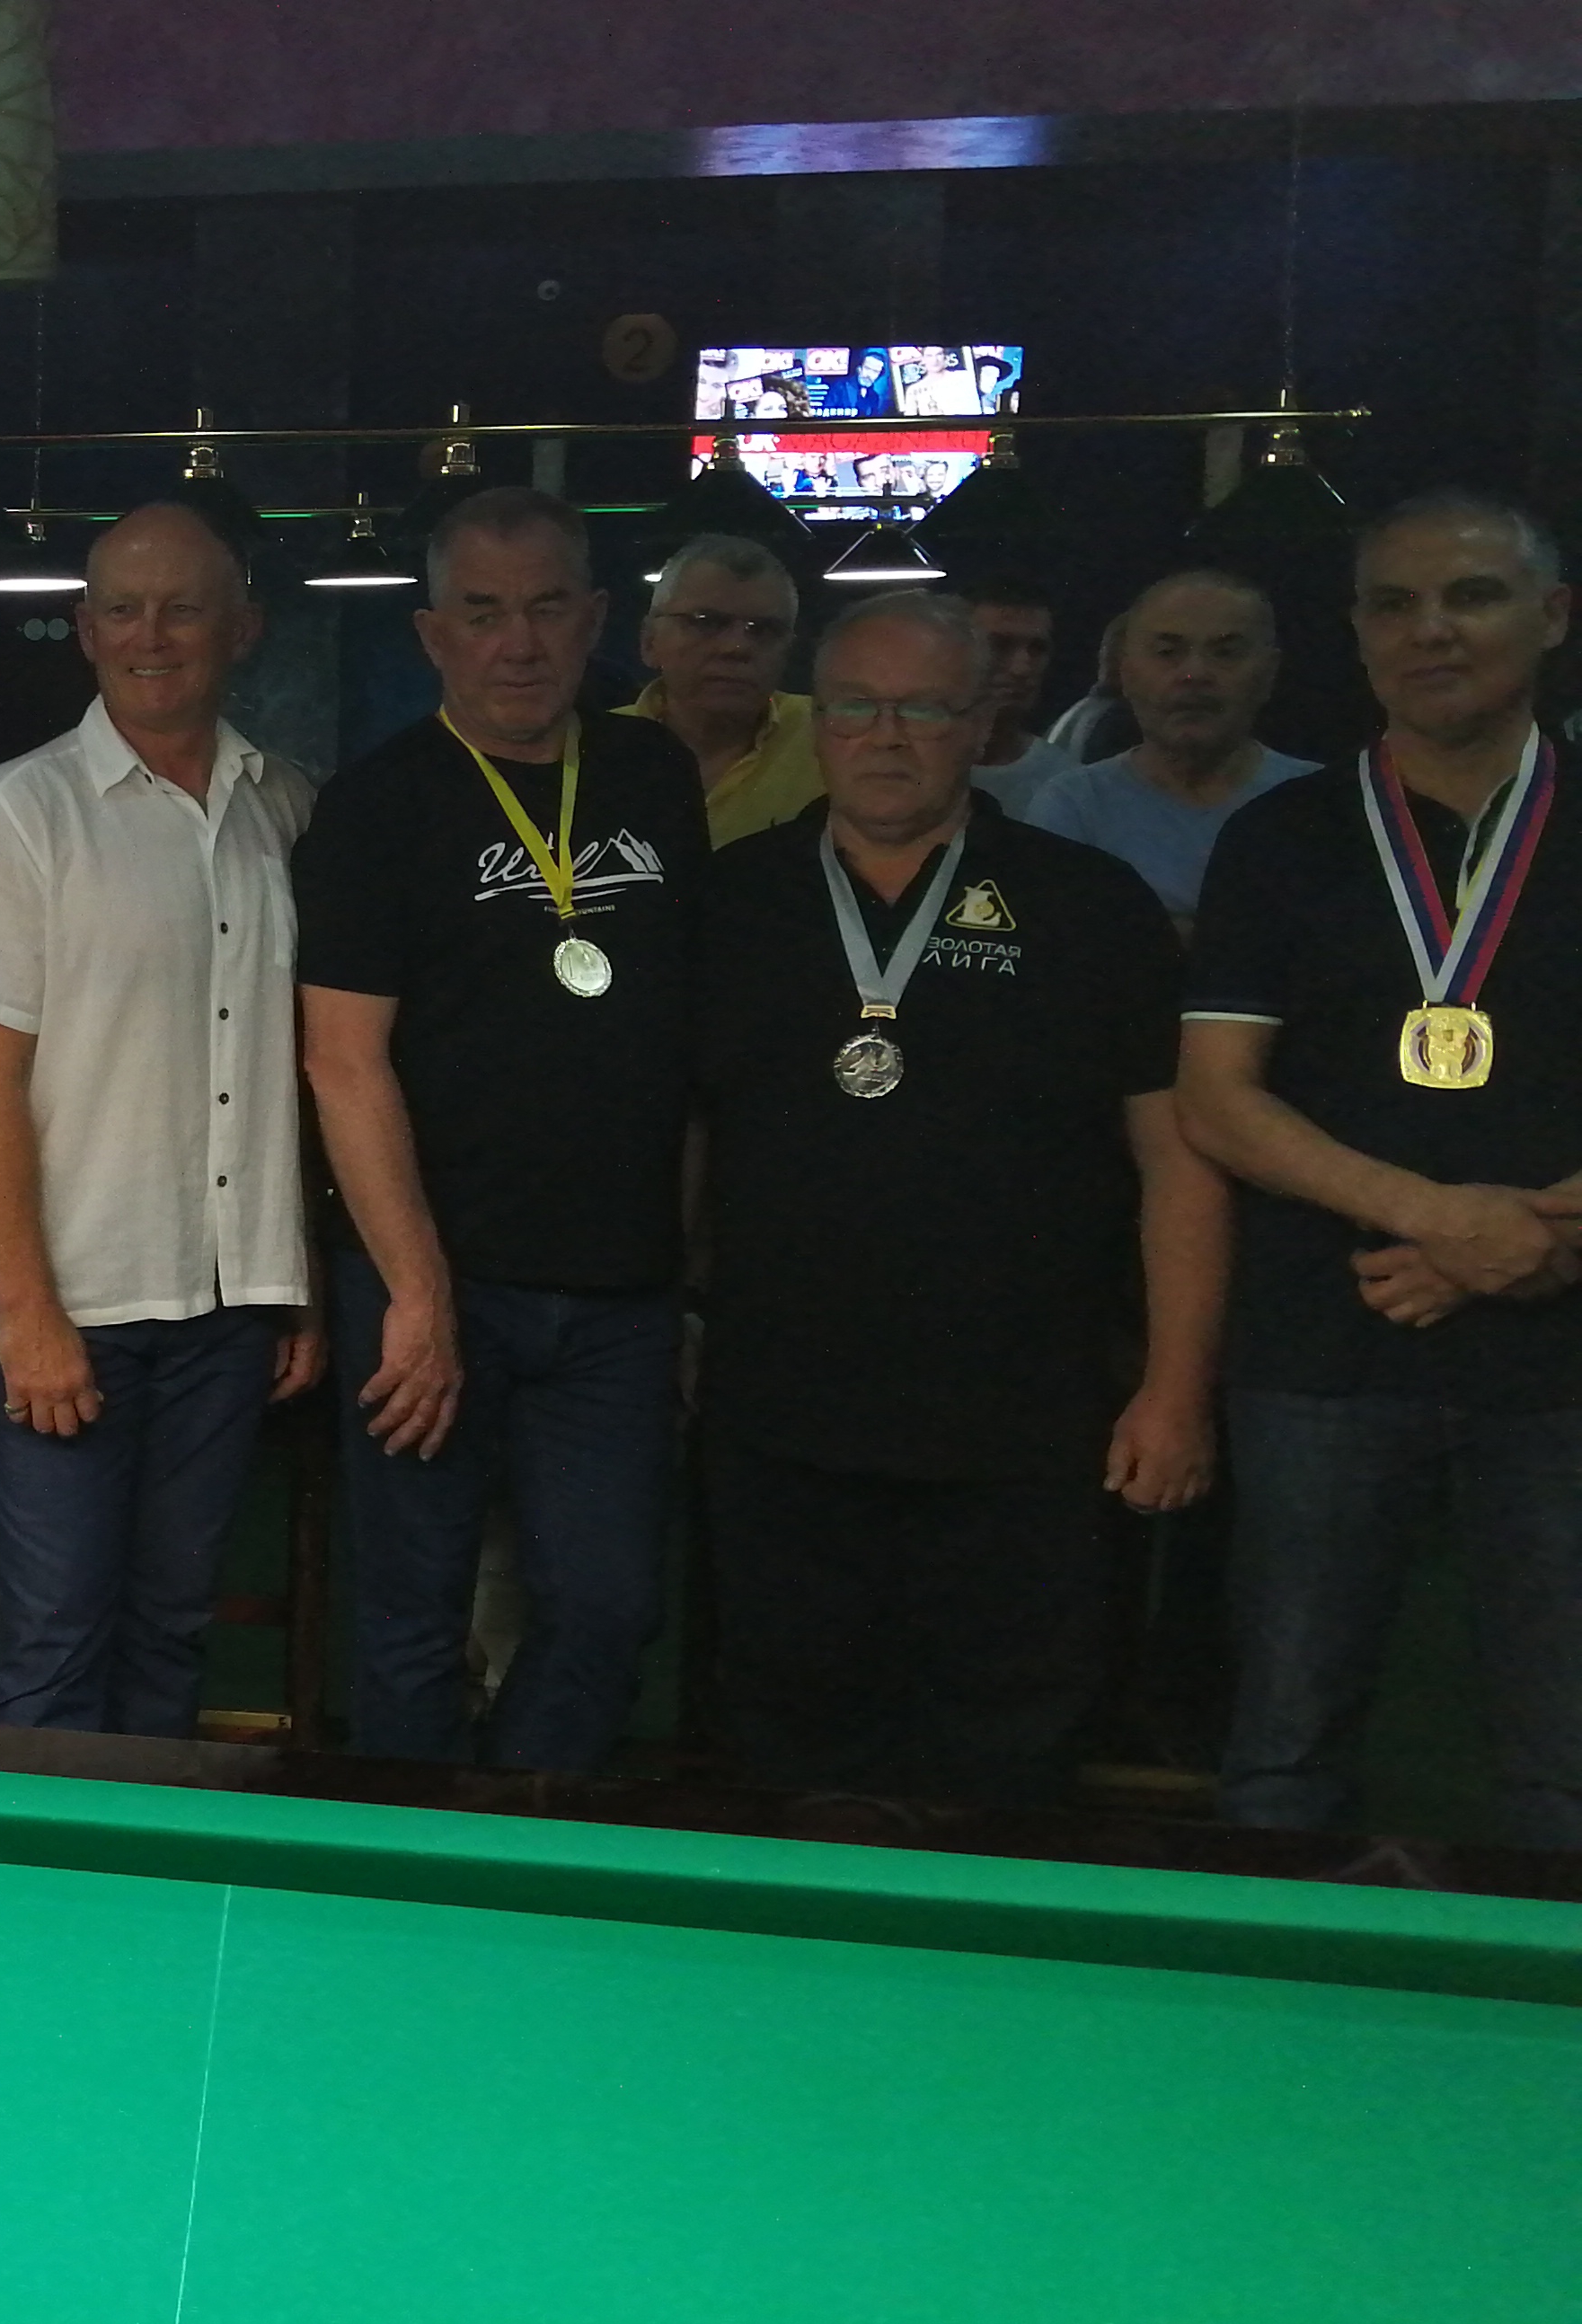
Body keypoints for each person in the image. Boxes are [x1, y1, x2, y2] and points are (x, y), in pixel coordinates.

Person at [694, 592, 1221, 1807]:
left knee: (1009, 1766)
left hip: (1025, 1431)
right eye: (856, 707)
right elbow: (683, 1135)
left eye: (924, 710)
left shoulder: (1090, 907)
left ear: (981, 722)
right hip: (783, 1423)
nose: (886, 736)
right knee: (789, 1760)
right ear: (817, 723)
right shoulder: (732, 901)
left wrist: (1176, 1387)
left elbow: (1178, 1161)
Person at [1180, 490, 1582, 1849]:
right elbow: (1217, 1100)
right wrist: (1444, 1222)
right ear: (1355, 634)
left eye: (1471, 596)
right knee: (1280, 1753)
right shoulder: (1279, 837)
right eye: (1395, 604)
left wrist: (1542, 1239)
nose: (1431, 631)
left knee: (1568, 1765)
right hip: (1322, 1350)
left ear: (1551, 615)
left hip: (1565, 1358)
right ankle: (1266, 1992)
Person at [295, 488, 707, 1773]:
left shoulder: (654, 774)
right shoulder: (375, 806)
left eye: (544, 609)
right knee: (413, 1618)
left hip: (619, 1291)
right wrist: (419, 1295)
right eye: (481, 613)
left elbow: (682, 1038)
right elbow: (342, 1059)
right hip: (434, 1279)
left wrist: (693, 1268)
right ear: (432, 635)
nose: (516, 643)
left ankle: (521, 1839)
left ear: (595, 620)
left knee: (607, 1608)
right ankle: (411, 1864)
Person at [0, 504, 322, 1735]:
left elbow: (301, 1071)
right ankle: (33, 1870)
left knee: (172, 1633)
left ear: (242, 628)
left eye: (182, 608)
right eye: (121, 609)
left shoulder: (286, 808)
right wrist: (27, 1315)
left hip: (226, 1307)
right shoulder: (19, 812)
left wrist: (290, 1281)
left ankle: (146, 1862)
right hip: (73, 1305)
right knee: (54, 1642)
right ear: (84, 630)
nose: (150, 635)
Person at [1031, 571, 1317, 932]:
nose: (1194, 674)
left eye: (1225, 653)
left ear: (1269, 673)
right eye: (1168, 653)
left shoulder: (1319, 802)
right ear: (1126, 672)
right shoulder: (1074, 806)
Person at [617, 535, 820, 846]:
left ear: (788, 652)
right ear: (649, 641)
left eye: (764, 630)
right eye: (706, 622)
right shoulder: (587, 748)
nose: (736, 647)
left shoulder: (836, 737)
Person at [961, 574, 1076, 818]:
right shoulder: (910, 767)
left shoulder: (1066, 782)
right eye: (999, 646)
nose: (1022, 668)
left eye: (1037, 649)